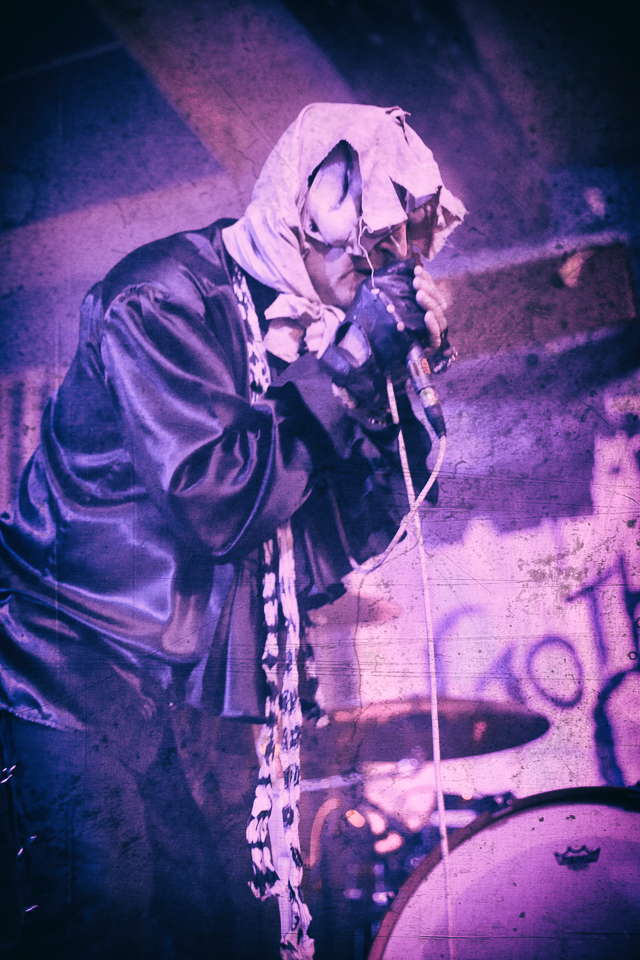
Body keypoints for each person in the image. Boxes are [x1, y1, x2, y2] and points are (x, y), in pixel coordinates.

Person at [0, 103, 465, 959]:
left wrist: (392, 386)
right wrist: (348, 367)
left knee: (231, 923)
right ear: (305, 216)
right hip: (72, 663)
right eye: (369, 249)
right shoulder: (158, 298)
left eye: (399, 255)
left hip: (190, 682)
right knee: (104, 909)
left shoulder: (309, 333)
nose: (382, 273)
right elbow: (216, 496)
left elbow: (328, 530)